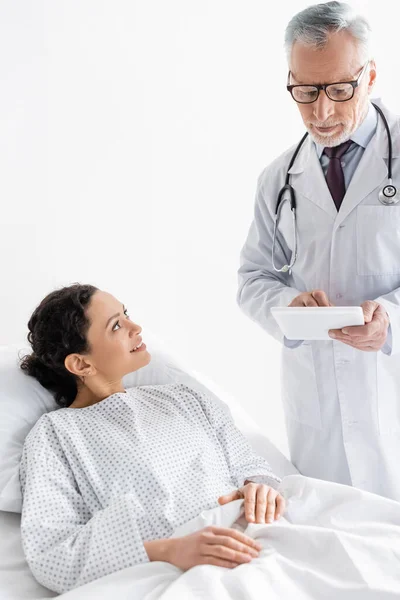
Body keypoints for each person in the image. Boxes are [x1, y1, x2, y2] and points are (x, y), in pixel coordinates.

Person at [19, 283, 285, 594]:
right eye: (116, 325)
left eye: (126, 314)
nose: (136, 327)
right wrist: (169, 550)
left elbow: (252, 466)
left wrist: (260, 488)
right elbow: (52, 556)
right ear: (81, 364)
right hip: (180, 575)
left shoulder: (185, 398)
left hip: (262, 536)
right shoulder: (55, 436)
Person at [237, 1, 400, 501]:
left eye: (338, 90)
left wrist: (389, 319)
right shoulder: (278, 177)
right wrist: (290, 308)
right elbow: (253, 278)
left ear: (369, 75)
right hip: (317, 400)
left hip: (390, 383)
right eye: (305, 91)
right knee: (331, 538)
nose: (321, 111)